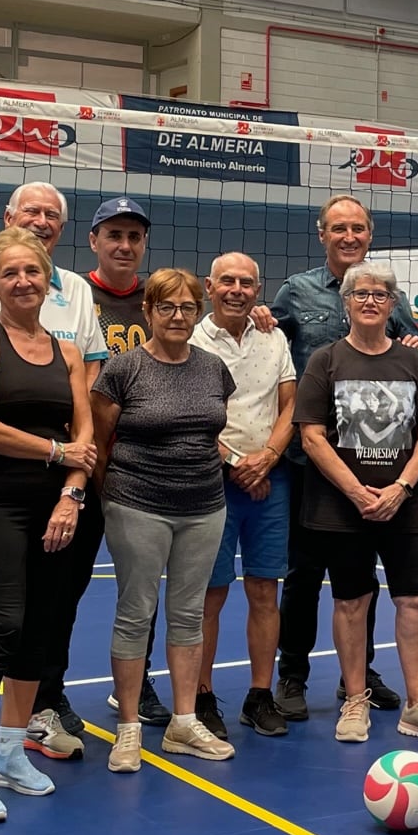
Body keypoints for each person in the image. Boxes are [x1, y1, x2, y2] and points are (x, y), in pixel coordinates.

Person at [0, 183, 105, 776]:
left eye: (50, 216)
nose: (24, 278)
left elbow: (86, 409)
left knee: (43, 619)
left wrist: (72, 487)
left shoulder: (76, 303)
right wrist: (51, 446)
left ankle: (22, 732)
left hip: (57, 493)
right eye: (29, 213)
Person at [269, 195, 418, 722]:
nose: (349, 236)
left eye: (358, 228)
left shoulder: (387, 293)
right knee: (305, 573)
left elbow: (408, 351)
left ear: (370, 234)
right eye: (339, 228)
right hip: (309, 460)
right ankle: (292, 673)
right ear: (322, 235)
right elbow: (273, 351)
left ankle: (358, 676)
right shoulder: (297, 291)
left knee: (364, 577)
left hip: (378, 461)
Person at [294, 263, 418, 745]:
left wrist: (404, 488)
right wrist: (356, 491)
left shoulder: (413, 364)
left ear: (392, 304)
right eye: (360, 293)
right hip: (343, 508)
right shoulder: (325, 361)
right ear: (346, 303)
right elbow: (312, 436)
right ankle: (355, 700)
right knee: (350, 601)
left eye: (380, 295)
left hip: (403, 506)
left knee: (414, 601)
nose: (369, 301)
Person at [93, 270, 240, 771]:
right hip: (136, 504)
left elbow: (209, 431)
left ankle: (182, 721)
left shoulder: (215, 369)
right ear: (148, 312)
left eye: (187, 307)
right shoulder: (123, 370)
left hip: (204, 507)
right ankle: (129, 728)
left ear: (197, 313)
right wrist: (108, 498)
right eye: (166, 307)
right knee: (136, 612)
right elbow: (100, 442)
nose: (178, 316)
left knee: (187, 614)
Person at [189, 253, 297, 740]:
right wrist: (237, 464)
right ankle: (202, 695)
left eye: (247, 282)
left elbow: (291, 403)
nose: (237, 289)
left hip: (270, 483)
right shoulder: (191, 338)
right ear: (209, 287)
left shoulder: (274, 338)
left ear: (259, 290)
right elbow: (190, 412)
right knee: (209, 595)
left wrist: (268, 457)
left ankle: (259, 694)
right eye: (227, 281)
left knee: (264, 591)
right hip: (212, 484)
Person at [75, 196, 170, 732]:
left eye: (134, 237)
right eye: (114, 235)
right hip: (87, 460)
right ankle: (48, 690)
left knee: (144, 585)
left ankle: (135, 683)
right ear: (94, 241)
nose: (125, 246)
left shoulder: (156, 298)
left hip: (145, 467)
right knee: (69, 580)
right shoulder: (70, 294)